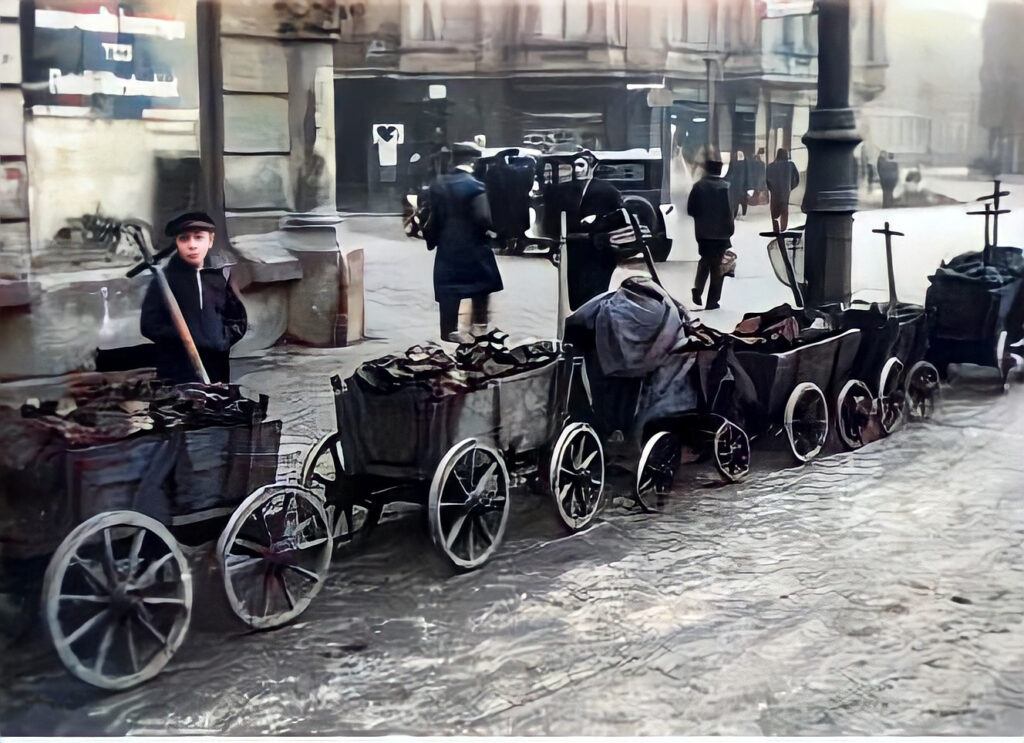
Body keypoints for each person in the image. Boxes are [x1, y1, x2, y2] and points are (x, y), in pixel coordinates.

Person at [140, 211, 248, 384]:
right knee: (181, 407)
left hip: (215, 364)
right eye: (184, 238)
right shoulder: (165, 280)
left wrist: (222, 339)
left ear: (210, 240)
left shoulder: (218, 278)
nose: (192, 245)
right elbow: (149, 324)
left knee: (215, 403)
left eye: (198, 237)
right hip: (178, 368)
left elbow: (238, 317)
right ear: (176, 242)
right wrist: (180, 340)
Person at [423, 142, 503, 343]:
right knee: (481, 286)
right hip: (473, 246)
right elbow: (484, 219)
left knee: (449, 289)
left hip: (448, 246)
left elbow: (433, 218)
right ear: (473, 162)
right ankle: (480, 328)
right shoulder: (475, 186)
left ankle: (449, 330)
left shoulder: (439, 185)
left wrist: (432, 239)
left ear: (453, 160)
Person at [561, 153, 625, 310]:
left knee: (595, 292)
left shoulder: (607, 190)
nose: (576, 170)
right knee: (575, 292)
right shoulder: (567, 190)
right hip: (574, 248)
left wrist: (598, 219)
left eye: (581, 165)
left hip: (599, 248)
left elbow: (621, 216)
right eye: (574, 165)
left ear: (592, 167)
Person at [687, 156, 735, 311]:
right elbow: (730, 211)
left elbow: (691, 210)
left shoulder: (698, 186)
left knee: (705, 260)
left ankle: (698, 288)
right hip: (721, 233)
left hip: (703, 233)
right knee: (717, 267)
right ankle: (712, 301)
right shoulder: (726, 188)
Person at [766, 148, 800, 231]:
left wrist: (772, 189)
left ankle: (776, 231)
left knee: (774, 213)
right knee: (784, 212)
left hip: (775, 194)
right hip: (785, 194)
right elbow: (797, 179)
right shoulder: (791, 166)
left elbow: (767, 181)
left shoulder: (770, 166)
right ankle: (783, 230)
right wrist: (790, 188)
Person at [725, 150, 749, 219]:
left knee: (739, 201)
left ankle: (738, 214)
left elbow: (729, 173)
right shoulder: (742, 163)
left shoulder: (737, 163)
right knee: (739, 201)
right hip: (738, 185)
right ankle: (738, 214)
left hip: (738, 185)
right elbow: (729, 173)